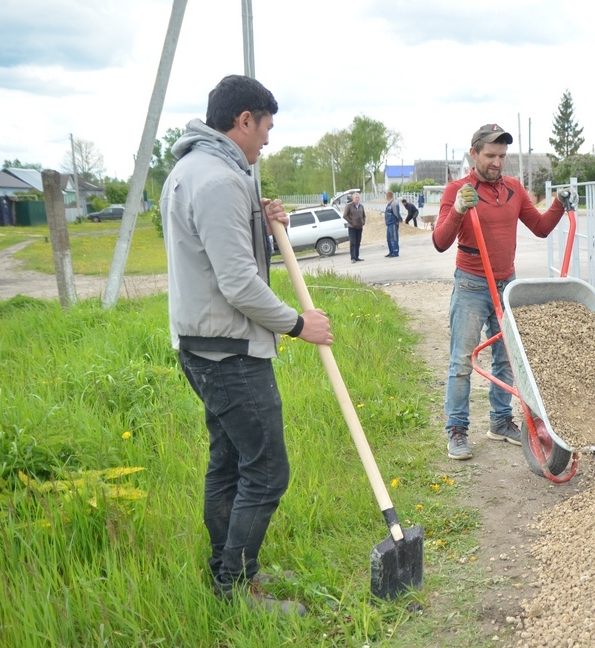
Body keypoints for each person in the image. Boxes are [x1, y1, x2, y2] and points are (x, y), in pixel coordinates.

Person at [161, 74, 333, 615]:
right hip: (227, 351)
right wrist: (299, 325)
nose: (267, 140)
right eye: (266, 128)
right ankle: (236, 588)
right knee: (266, 469)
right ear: (243, 122)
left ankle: (228, 573)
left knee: (230, 462)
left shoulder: (194, 170)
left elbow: (217, 253)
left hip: (203, 342)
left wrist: (261, 224)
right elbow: (237, 284)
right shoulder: (217, 180)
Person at [432, 123, 573, 461]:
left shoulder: (513, 189)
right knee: (462, 361)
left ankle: (499, 420)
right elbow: (440, 241)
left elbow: (539, 228)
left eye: (502, 156)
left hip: (507, 284)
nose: (497, 162)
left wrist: (558, 204)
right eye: (491, 155)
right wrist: (459, 211)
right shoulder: (458, 190)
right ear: (474, 154)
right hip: (471, 284)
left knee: (508, 359)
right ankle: (457, 429)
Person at [342, 191, 366, 262]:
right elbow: (345, 216)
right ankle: (352, 257)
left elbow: (364, 215)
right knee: (353, 242)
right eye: (356, 197)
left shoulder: (361, 206)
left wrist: (363, 222)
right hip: (352, 227)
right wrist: (352, 222)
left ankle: (357, 256)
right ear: (353, 198)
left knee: (358, 242)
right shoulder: (349, 206)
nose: (357, 199)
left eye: (358, 197)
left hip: (359, 227)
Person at [383, 191, 401, 257]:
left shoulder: (394, 203)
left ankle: (395, 252)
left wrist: (400, 219)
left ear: (388, 196)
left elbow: (396, 213)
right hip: (389, 224)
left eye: (386, 196)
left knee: (394, 238)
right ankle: (391, 252)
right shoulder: (389, 204)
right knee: (389, 239)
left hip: (393, 223)